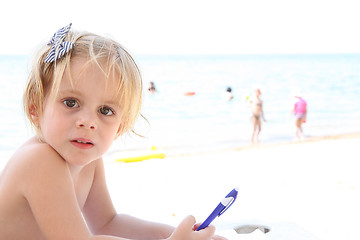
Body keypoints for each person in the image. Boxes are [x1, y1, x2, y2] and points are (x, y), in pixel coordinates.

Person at [0, 24, 225, 240]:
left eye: (105, 110)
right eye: (70, 103)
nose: (88, 122)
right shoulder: (39, 160)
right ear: (35, 107)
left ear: (121, 126)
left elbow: (108, 222)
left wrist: (174, 234)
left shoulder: (90, 162)